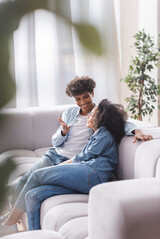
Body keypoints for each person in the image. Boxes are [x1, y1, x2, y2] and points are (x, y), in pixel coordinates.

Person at [3, 76, 152, 226]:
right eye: (78, 99)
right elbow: (55, 142)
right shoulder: (70, 113)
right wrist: (63, 132)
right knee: (30, 189)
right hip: (57, 154)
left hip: (78, 164)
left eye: (85, 96)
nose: (83, 103)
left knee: (34, 177)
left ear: (92, 93)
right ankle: (21, 222)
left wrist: (136, 130)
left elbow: (122, 121)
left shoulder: (101, 116)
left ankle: (9, 223)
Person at [5, 99, 128, 229]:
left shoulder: (104, 133)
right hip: (86, 178)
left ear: (101, 119)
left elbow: (82, 158)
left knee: (36, 175)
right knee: (33, 195)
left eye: (93, 114)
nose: (89, 116)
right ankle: (37, 235)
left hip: (92, 175)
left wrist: (58, 167)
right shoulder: (97, 134)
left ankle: (9, 222)